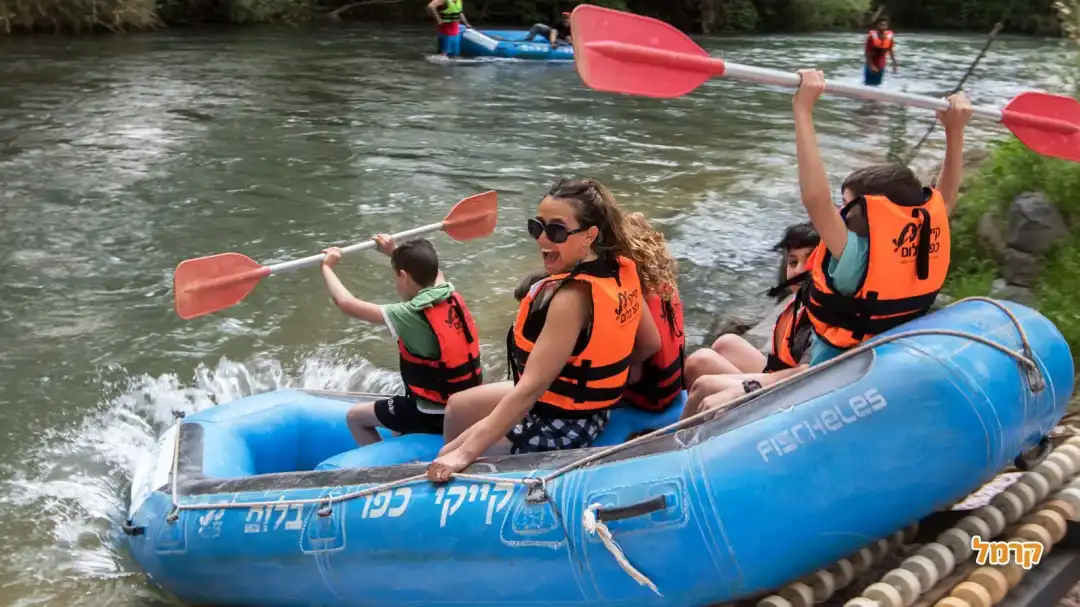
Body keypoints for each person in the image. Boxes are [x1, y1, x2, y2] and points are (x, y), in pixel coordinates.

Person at [426, 178, 662, 482]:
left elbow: (530, 390)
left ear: (590, 235)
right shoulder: (620, 268)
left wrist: (463, 454)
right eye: (538, 226)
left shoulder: (572, 298)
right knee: (458, 405)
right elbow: (649, 344)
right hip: (590, 409)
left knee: (448, 455)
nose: (542, 240)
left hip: (561, 425)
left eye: (557, 230)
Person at [791, 69, 972, 367]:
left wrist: (803, 108)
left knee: (707, 379)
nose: (840, 211)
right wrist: (955, 131)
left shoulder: (854, 254)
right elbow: (946, 195)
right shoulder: (923, 236)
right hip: (888, 359)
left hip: (830, 371)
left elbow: (815, 200)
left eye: (847, 205)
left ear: (869, 212)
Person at [320, 235, 483, 446]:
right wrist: (394, 252)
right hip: (464, 406)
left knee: (355, 417)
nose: (395, 283)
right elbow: (433, 271)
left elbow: (346, 304)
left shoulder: (409, 315)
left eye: (395, 277)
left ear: (404, 276)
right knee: (396, 420)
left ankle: (386, 467)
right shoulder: (448, 293)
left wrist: (327, 268)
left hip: (430, 413)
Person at [683, 222, 820, 388]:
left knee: (699, 363)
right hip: (785, 375)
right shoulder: (802, 302)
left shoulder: (825, 313)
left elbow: (806, 374)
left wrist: (746, 387)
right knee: (726, 343)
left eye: (809, 261)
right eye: (793, 262)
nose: (798, 271)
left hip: (795, 393)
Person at [620, 212, 686, 413]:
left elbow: (634, 375)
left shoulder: (634, 299)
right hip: (672, 388)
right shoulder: (665, 286)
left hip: (646, 399)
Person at [864, 17, 897, 86]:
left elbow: (890, 50)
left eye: (885, 25)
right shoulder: (871, 37)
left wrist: (894, 63)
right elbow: (867, 53)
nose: (883, 27)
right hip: (871, 60)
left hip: (881, 62)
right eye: (881, 25)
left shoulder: (889, 37)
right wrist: (871, 65)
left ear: (887, 26)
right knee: (868, 83)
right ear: (877, 26)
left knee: (878, 84)